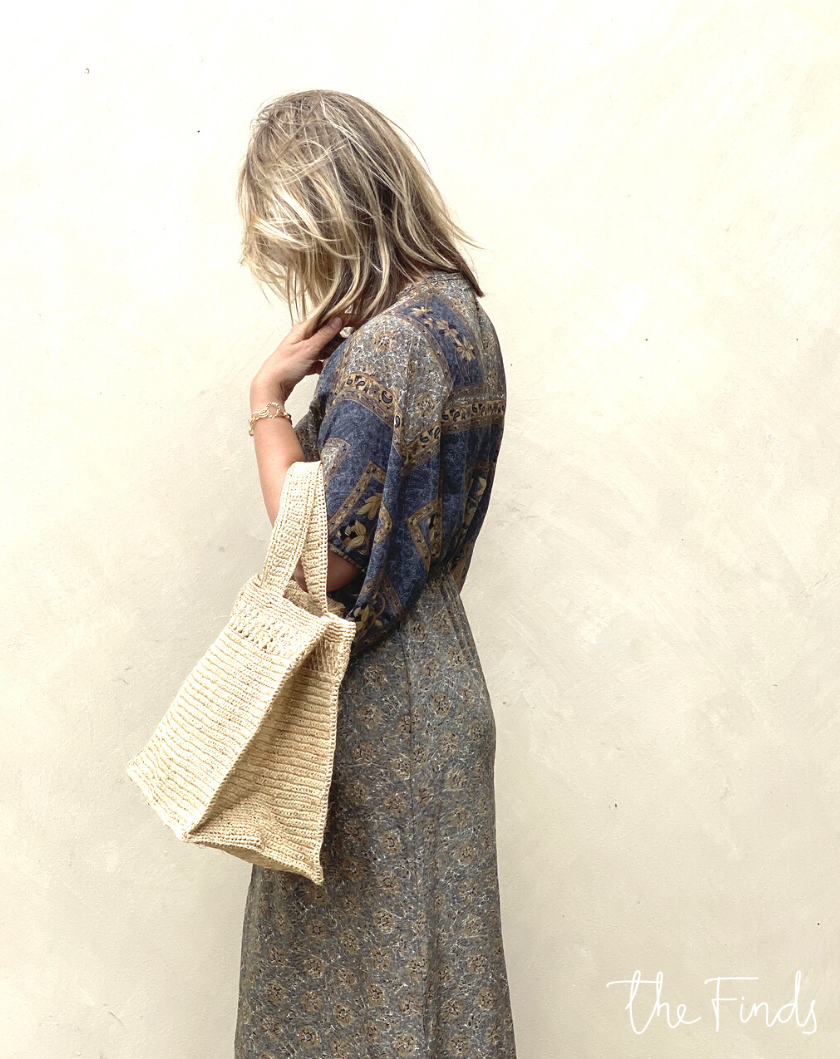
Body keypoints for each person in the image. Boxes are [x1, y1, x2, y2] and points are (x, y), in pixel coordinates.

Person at [237, 89, 516, 1059]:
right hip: (438, 674)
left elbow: (323, 558)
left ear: (328, 215)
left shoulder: (388, 351)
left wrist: (266, 405)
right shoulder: (460, 319)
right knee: (433, 987)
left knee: (360, 1008)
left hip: (372, 708)